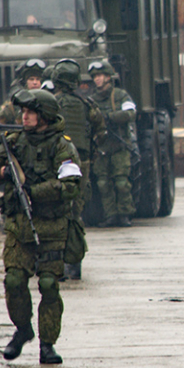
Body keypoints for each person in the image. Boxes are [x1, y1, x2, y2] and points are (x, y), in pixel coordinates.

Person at [0, 89, 82, 365]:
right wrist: (3, 173)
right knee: (14, 280)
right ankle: (23, 329)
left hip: (52, 227)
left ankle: (47, 345)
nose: (24, 117)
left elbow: (71, 186)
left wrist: (34, 192)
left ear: (45, 117)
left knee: (49, 285)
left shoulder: (63, 146)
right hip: (18, 226)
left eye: (30, 113)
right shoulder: (12, 143)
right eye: (22, 112)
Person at [52, 59, 106, 279]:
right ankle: (73, 264)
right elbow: (100, 132)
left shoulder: (50, 104)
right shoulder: (87, 105)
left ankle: (53, 263)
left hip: (55, 164)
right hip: (80, 164)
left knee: (54, 212)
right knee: (75, 213)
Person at [89, 60, 137, 228]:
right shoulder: (91, 100)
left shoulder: (120, 95)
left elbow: (131, 113)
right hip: (101, 148)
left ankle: (125, 214)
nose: (97, 79)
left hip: (119, 146)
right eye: (95, 76)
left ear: (108, 77)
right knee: (103, 184)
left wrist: (111, 117)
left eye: (100, 75)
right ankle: (111, 215)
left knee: (121, 182)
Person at [0, 59, 46, 125]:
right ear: (25, 82)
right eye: (31, 79)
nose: (35, 83)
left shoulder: (48, 101)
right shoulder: (14, 104)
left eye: (38, 79)